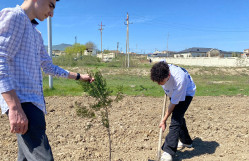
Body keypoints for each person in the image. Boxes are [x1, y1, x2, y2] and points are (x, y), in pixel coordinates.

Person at [0, 0, 94, 160]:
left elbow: (49, 67)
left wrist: (79, 76)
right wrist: (14, 107)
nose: (52, 14)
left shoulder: (36, 34)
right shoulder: (15, 17)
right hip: (24, 105)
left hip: (34, 104)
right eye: (51, 5)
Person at [150, 61, 196, 161]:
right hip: (173, 91)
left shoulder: (179, 80)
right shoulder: (162, 69)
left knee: (175, 118)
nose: (159, 84)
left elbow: (173, 104)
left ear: (169, 75)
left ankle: (168, 152)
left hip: (187, 92)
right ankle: (186, 141)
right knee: (179, 117)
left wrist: (164, 119)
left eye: (161, 82)